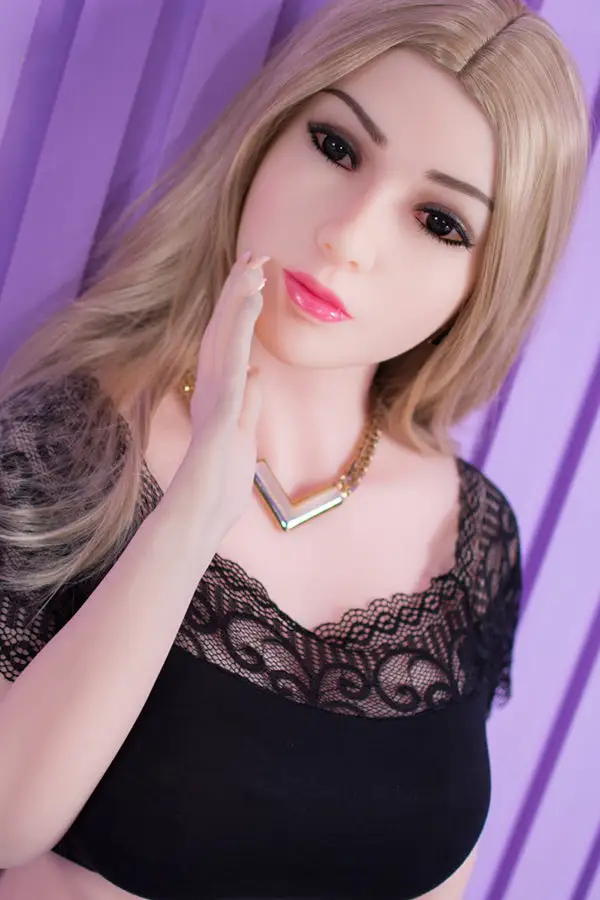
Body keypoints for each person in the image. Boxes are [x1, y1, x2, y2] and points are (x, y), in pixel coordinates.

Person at [0, 0, 590, 897]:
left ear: (488, 279)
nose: (347, 238)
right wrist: (192, 514)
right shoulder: (62, 447)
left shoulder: (474, 537)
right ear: (267, 135)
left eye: (439, 221)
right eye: (336, 147)